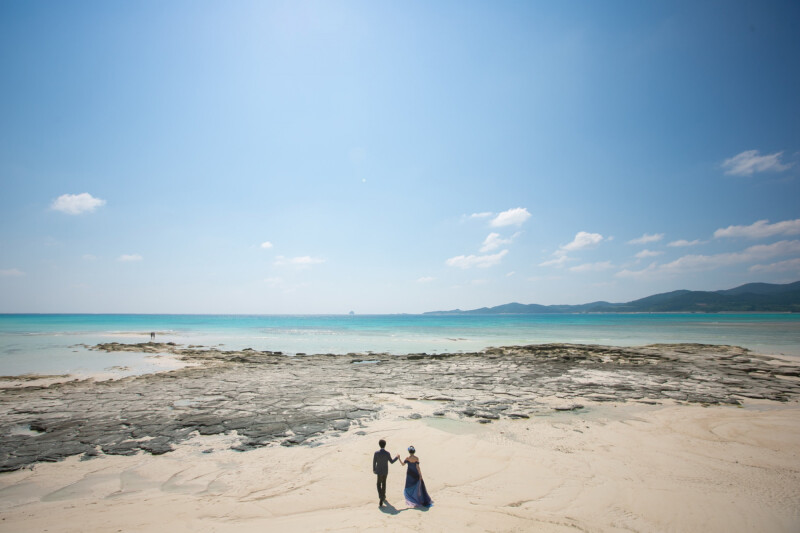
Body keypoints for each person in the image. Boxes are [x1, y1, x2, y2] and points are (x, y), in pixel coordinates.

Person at [372, 439, 400, 507]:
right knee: (384, 483)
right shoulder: (387, 453)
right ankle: (383, 496)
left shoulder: (376, 453)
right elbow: (391, 461)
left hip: (379, 471)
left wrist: (374, 469)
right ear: (385, 445)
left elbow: (374, 462)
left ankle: (381, 497)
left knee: (378, 484)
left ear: (379, 445)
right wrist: (397, 457)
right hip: (385, 471)